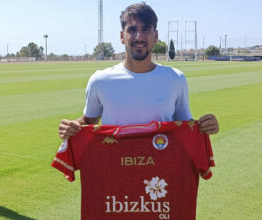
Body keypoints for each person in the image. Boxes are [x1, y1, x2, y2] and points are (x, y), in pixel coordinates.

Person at [58, 2, 219, 139]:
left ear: (155, 36)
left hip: (159, 173)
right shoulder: (100, 80)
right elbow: (88, 121)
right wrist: (72, 126)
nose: (139, 36)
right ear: (122, 36)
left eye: (146, 29)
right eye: (132, 30)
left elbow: (185, 125)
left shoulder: (175, 79)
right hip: (115, 170)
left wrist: (205, 125)